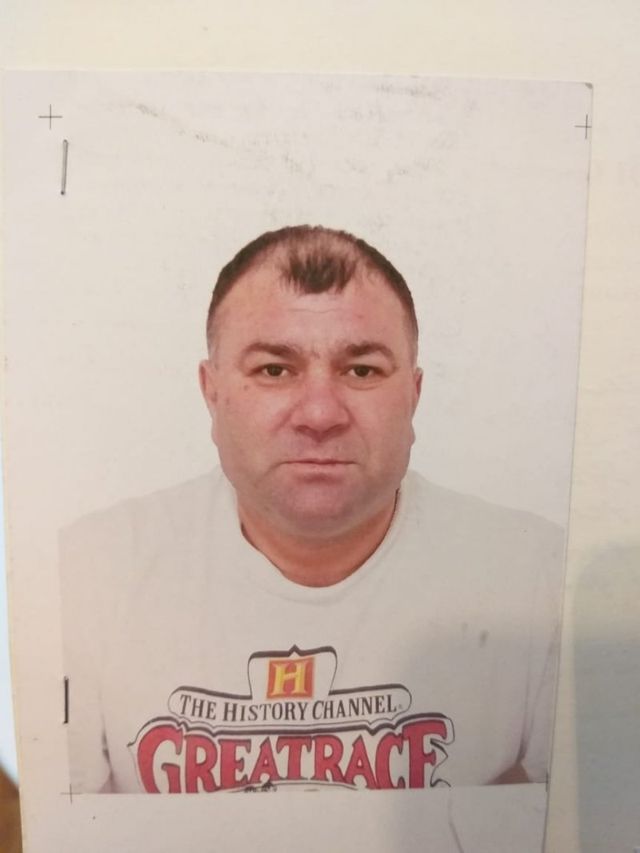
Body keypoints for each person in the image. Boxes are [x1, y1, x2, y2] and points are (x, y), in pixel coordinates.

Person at [61, 225, 563, 796]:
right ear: (211, 391)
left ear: (414, 395)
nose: (320, 414)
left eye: (362, 370)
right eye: (275, 370)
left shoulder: (539, 577)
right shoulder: (89, 573)